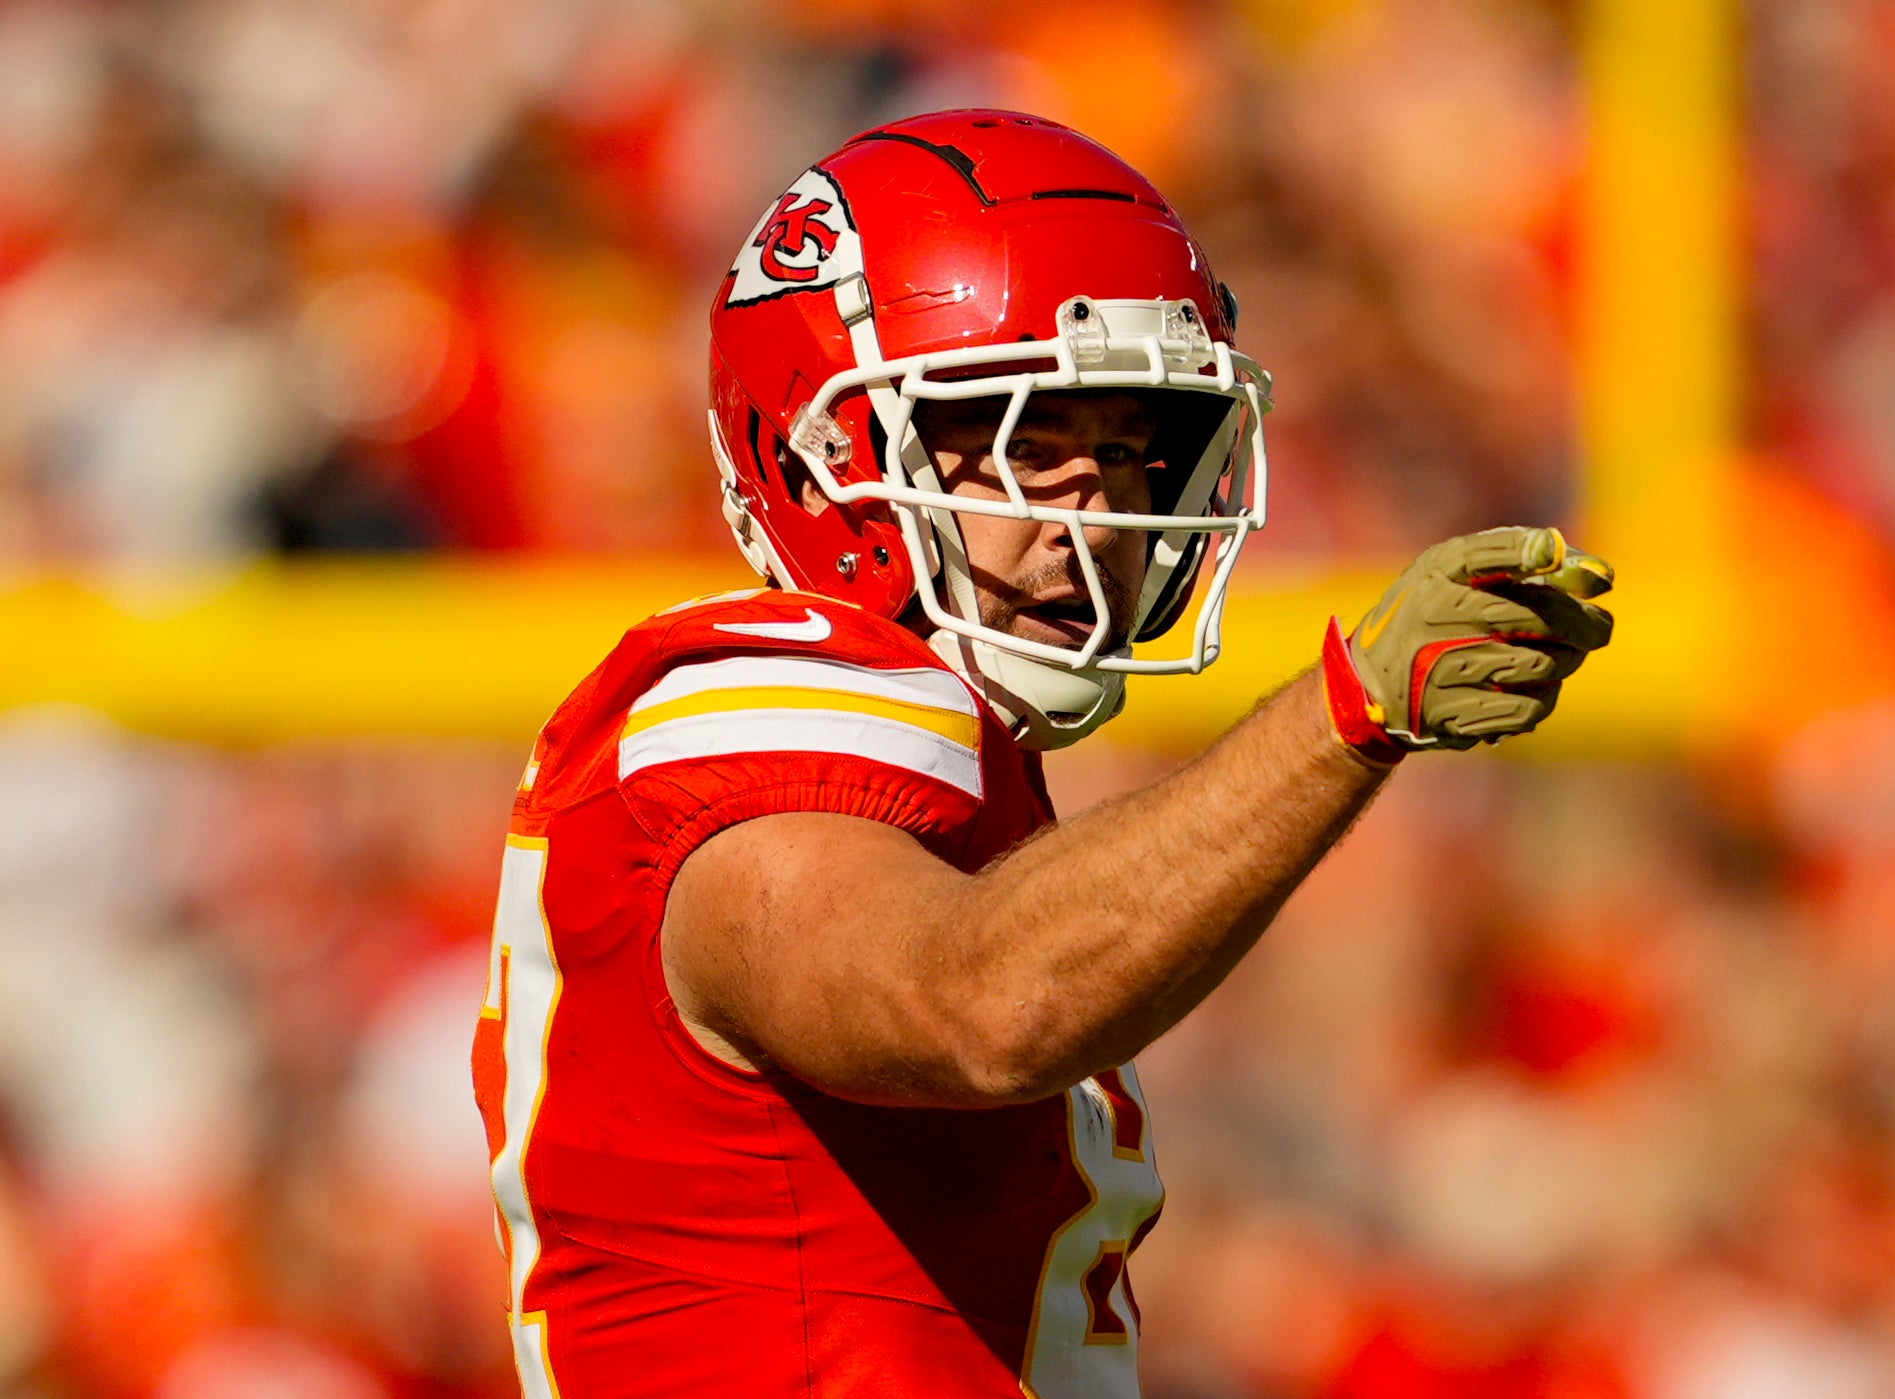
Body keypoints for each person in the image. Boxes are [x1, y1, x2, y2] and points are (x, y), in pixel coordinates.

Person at [470, 109, 1612, 1399]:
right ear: (824, 451)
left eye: (1131, 448)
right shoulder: (749, 713)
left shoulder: (950, 766)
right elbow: (980, 1004)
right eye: (1027, 440)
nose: (1100, 513)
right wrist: (1341, 714)